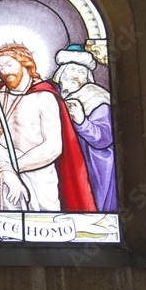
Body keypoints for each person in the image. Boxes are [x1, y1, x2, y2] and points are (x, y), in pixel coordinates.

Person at [0, 43, 96, 212]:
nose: (4, 71)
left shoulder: (45, 98)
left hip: (38, 179)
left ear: (25, 62)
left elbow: (53, 148)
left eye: (9, 64)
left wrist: (7, 168)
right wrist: (0, 171)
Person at [53, 44, 117, 212]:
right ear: (61, 74)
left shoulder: (96, 98)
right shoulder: (54, 95)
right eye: (71, 70)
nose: (75, 76)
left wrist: (82, 122)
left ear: (88, 77)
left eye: (81, 72)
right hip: (63, 163)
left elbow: (104, 138)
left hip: (92, 168)